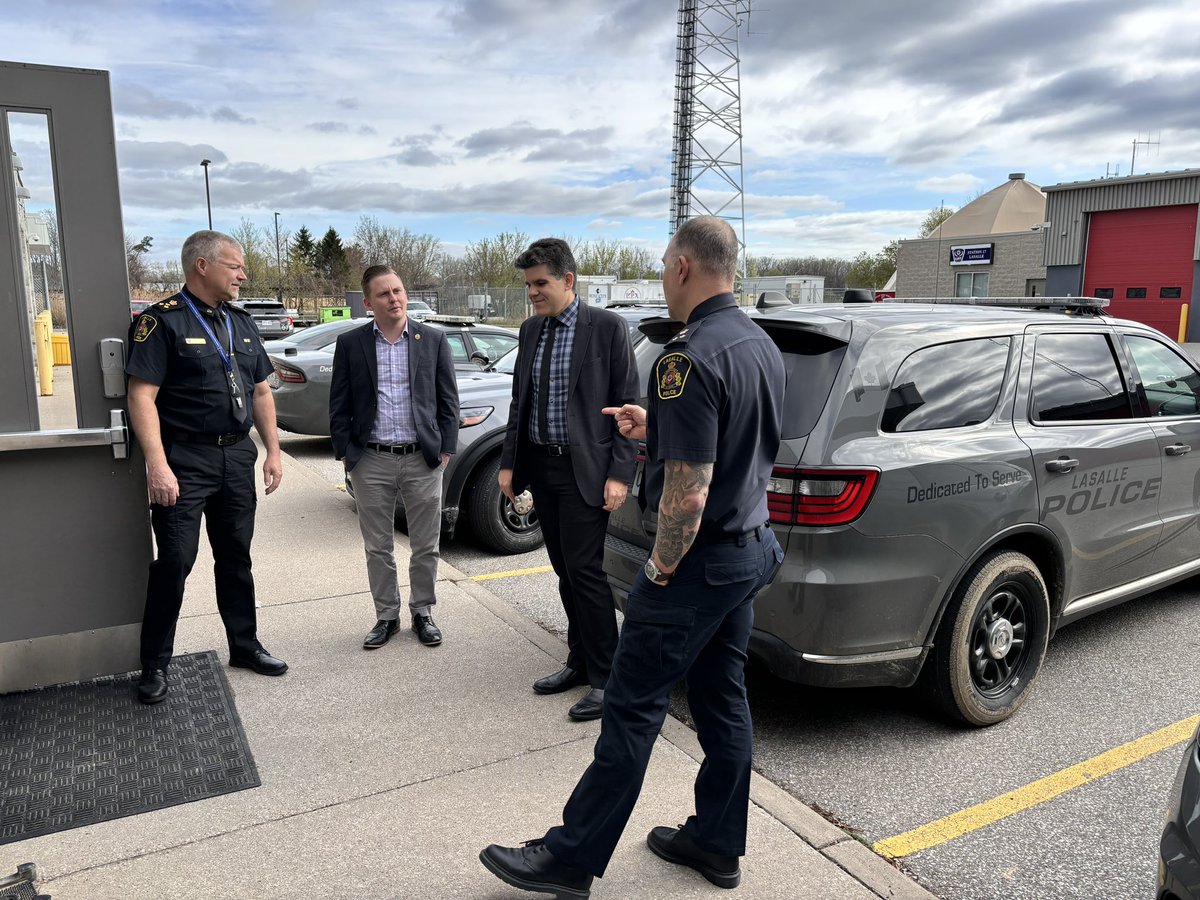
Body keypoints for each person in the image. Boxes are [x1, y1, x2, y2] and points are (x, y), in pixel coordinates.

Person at [480, 217, 786, 897]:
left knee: (631, 707)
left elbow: (688, 493)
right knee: (721, 698)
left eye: (662, 265)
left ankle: (569, 859)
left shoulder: (688, 355)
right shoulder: (759, 342)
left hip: (698, 564)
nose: (661, 277)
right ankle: (716, 842)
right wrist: (657, 425)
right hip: (751, 552)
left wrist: (659, 570)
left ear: (682, 266)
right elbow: (734, 432)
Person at [125, 230, 288, 706]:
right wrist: (157, 464)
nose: (243, 274)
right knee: (176, 561)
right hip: (185, 460)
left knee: (236, 556)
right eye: (235, 266)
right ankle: (155, 663)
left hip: (236, 455)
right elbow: (141, 396)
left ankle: (244, 645)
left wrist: (273, 451)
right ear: (202, 265)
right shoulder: (162, 323)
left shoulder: (241, 323)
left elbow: (260, 391)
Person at [499, 238, 638, 721]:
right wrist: (508, 464)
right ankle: (579, 661)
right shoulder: (531, 330)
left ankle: (608, 678)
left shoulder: (607, 328)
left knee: (585, 573)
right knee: (563, 571)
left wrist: (621, 473)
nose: (533, 293)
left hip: (588, 472)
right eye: (529, 285)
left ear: (567, 280)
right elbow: (520, 401)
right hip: (544, 467)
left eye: (541, 283)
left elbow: (626, 406)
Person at [330, 265, 459, 649]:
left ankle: (423, 611)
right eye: (384, 294)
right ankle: (386, 616)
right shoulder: (351, 344)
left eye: (398, 291)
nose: (395, 299)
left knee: (426, 543)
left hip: (422, 459)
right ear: (369, 303)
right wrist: (347, 455)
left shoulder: (432, 339)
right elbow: (339, 404)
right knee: (377, 546)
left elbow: (448, 401)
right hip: (371, 460)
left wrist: (445, 448)